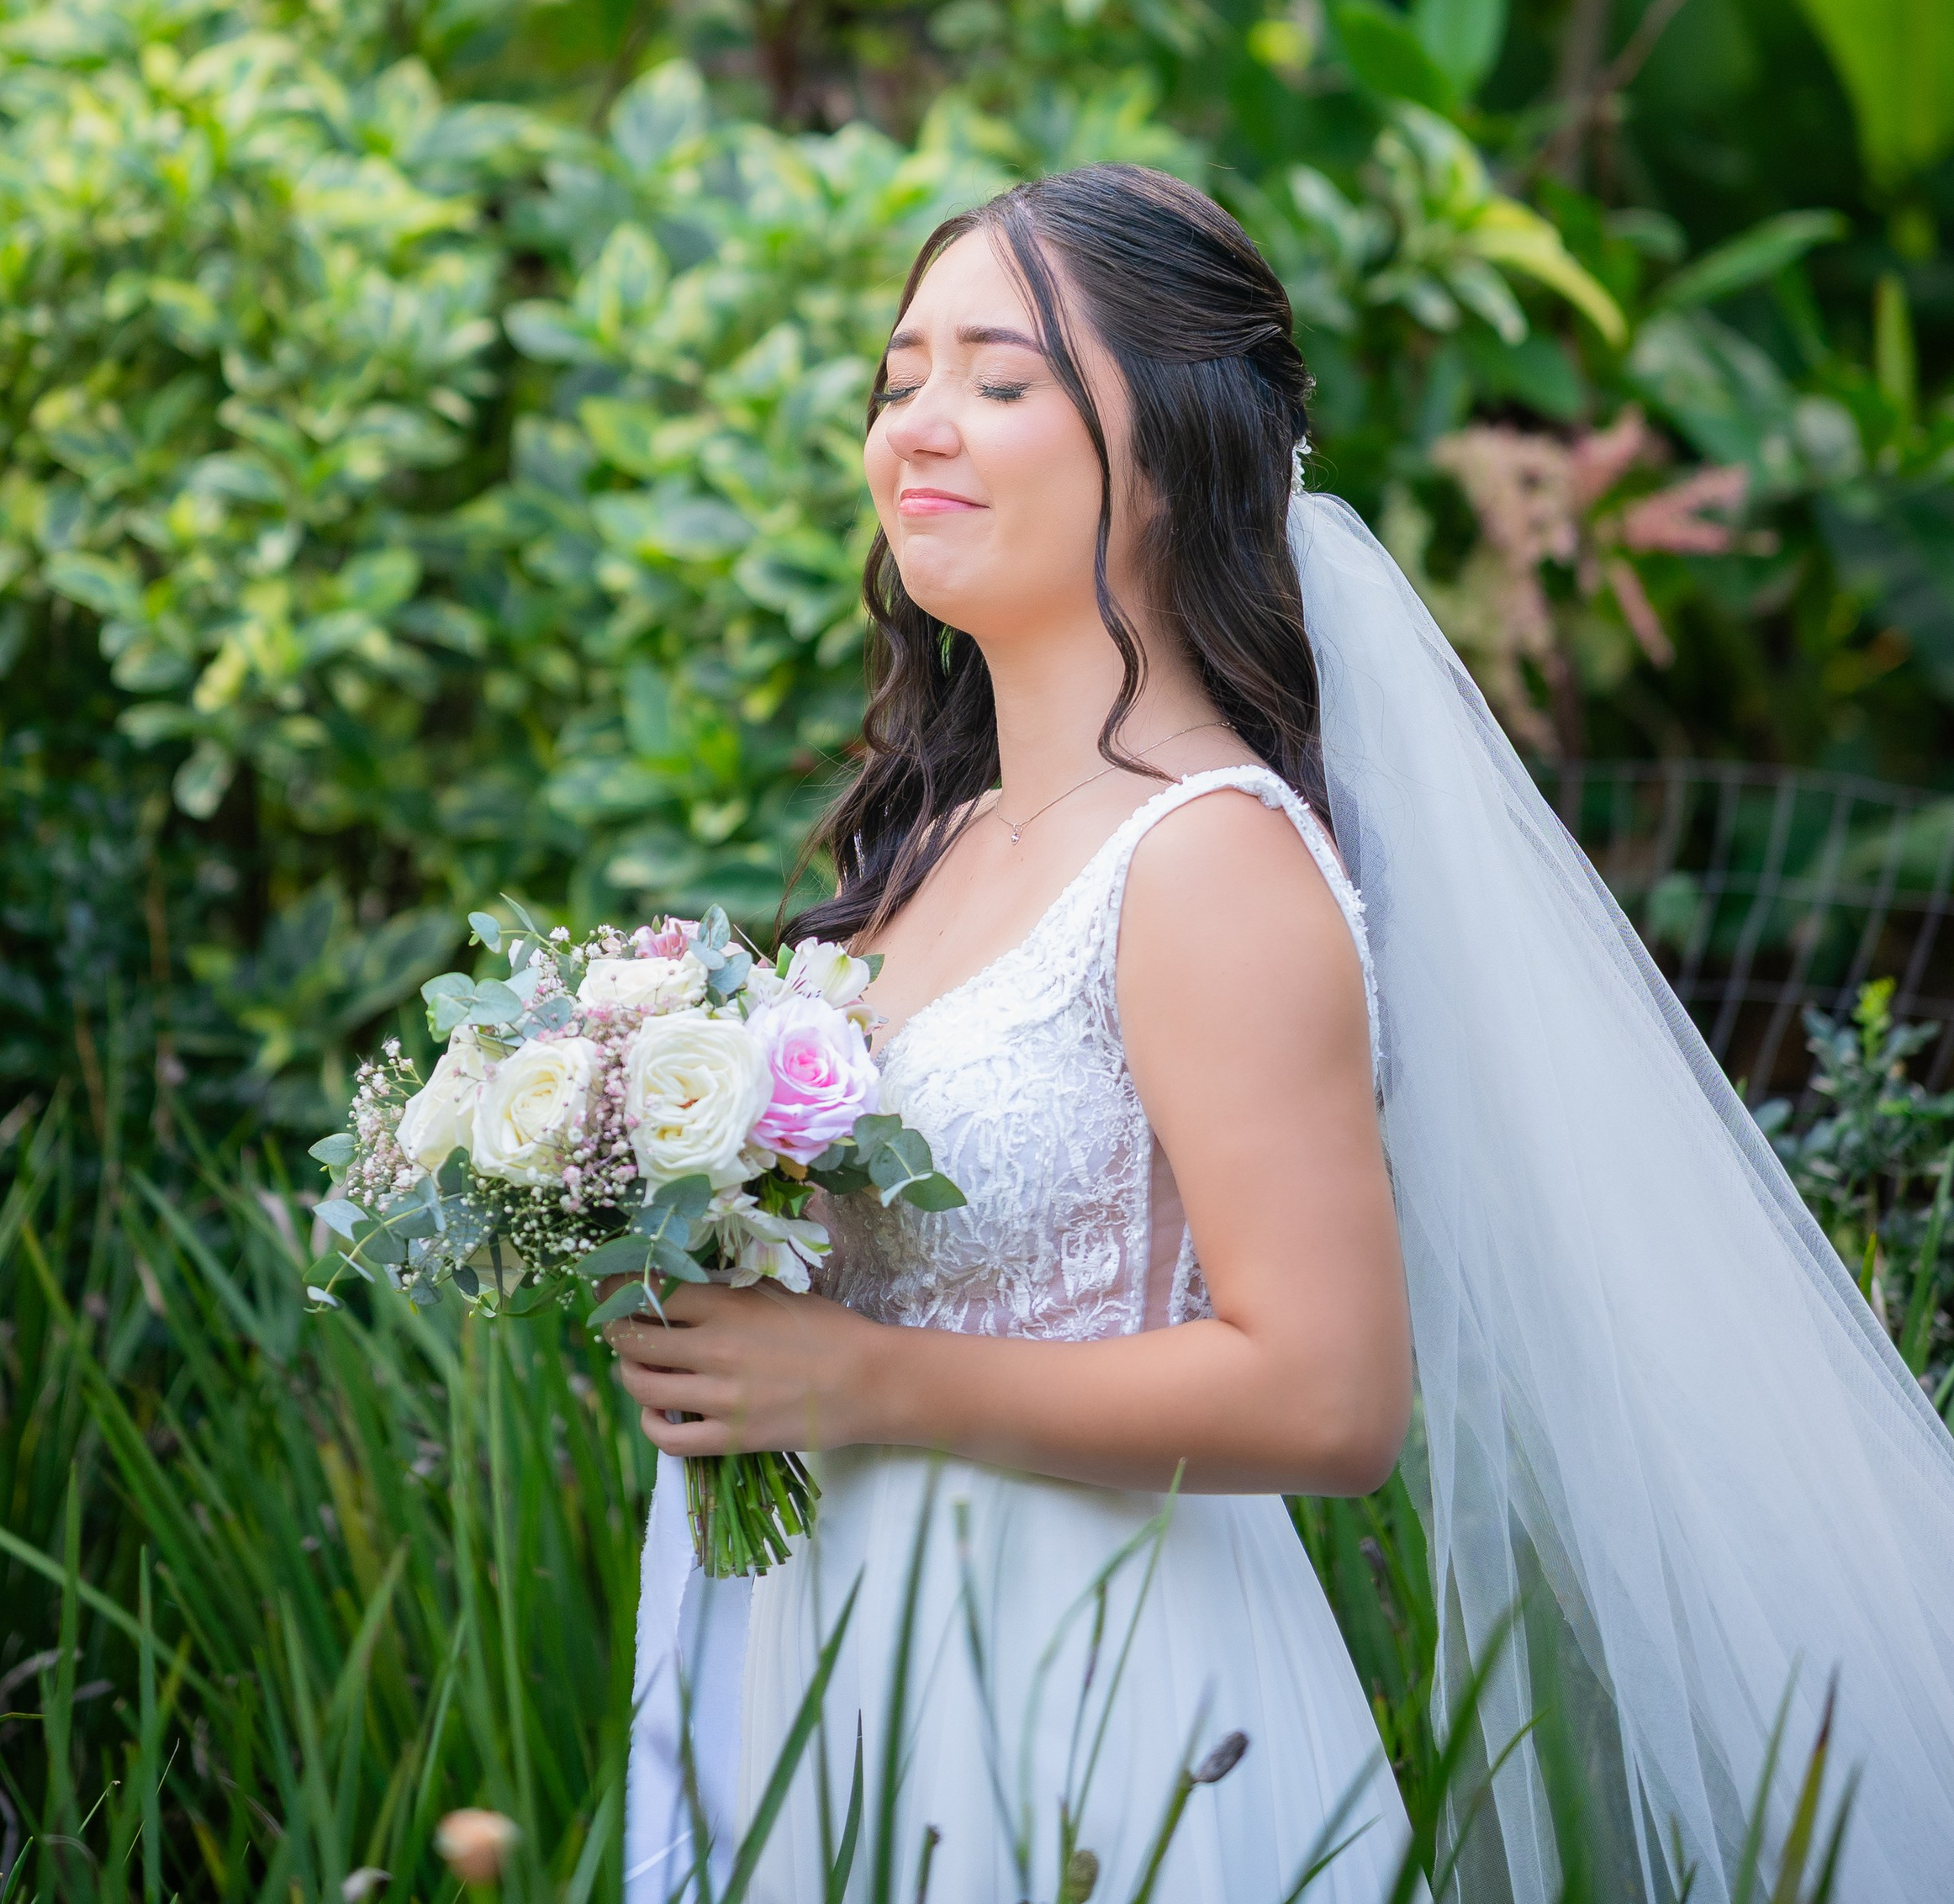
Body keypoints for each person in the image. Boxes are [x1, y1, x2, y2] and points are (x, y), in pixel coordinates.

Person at [618, 167, 1954, 1904]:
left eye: (998, 380)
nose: (918, 427)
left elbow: (1329, 1397)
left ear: (1170, 454)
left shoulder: (1208, 861)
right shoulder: (930, 855)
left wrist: (868, 1383)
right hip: (837, 1666)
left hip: (1094, 1700)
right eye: (897, 379)